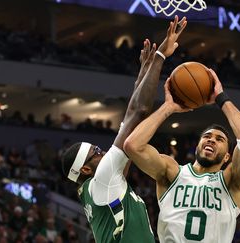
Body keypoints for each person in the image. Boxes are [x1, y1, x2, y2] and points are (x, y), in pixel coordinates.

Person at [61, 16, 187, 243]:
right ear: (87, 170)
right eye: (97, 152)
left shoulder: (103, 187)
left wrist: (142, 76)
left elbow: (131, 126)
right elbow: (137, 113)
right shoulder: (103, 179)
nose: (103, 152)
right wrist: (160, 57)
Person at [124, 69, 240, 242]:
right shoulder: (172, 172)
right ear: (197, 145)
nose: (211, 140)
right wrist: (168, 108)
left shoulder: (231, 181)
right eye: (207, 136)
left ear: (227, 157)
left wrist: (221, 97)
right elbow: (133, 146)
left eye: (219, 139)